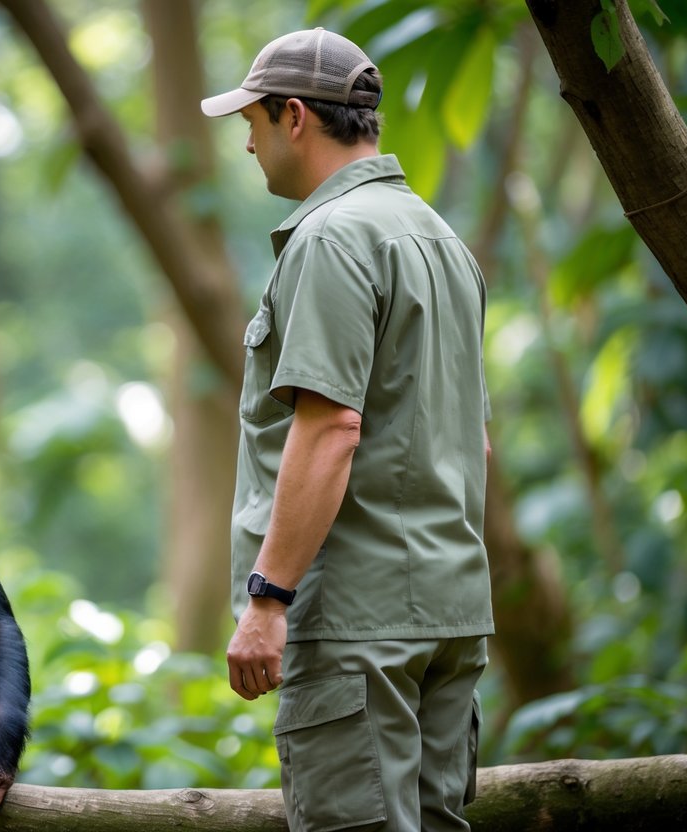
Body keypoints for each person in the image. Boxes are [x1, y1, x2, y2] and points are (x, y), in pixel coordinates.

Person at [201, 27, 495, 832]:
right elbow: (473, 443)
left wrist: (267, 599)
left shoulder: (330, 239)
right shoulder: (440, 240)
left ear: (293, 116)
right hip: (446, 616)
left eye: (251, 125)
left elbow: (330, 428)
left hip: (359, 625)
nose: (248, 146)